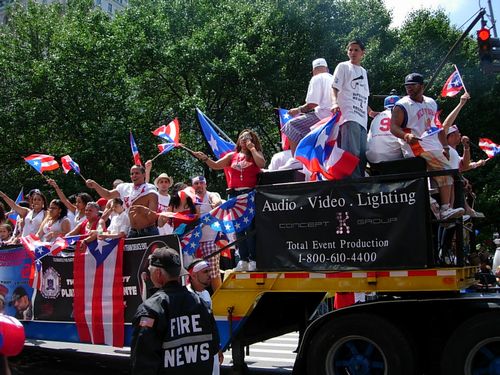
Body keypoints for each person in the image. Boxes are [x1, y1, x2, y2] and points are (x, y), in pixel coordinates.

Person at [130, 246, 219, 375]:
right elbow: (214, 346)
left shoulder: (151, 309)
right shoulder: (201, 304)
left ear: (158, 274)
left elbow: (142, 362)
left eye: (150, 271)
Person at [390, 73, 464, 220]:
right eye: (407, 86)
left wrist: (446, 146)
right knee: (446, 167)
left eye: (413, 85)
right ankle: (444, 209)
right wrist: (406, 136)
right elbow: (393, 127)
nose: (409, 88)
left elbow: (439, 127)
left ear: (422, 86)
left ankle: (444, 210)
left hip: (433, 145)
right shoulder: (402, 105)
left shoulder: (431, 102)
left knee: (448, 170)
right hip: (416, 146)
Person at [193, 129, 265, 271]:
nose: (244, 140)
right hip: (234, 196)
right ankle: (243, 260)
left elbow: (262, 164)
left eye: (248, 137)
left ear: (253, 140)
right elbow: (215, 165)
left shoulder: (255, 154)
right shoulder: (232, 156)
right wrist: (205, 158)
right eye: (242, 137)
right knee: (238, 229)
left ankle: (253, 259)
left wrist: (253, 149)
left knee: (250, 227)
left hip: (249, 195)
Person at [331, 39, 375, 178]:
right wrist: (334, 103)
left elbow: (363, 96)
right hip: (349, 116)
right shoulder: (343, 66)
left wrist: (370, 112)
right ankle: (353, 187)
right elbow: (334, 87)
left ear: (363, 53)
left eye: (356, 50)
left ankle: (360, 183)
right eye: (350, 49)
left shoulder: (363, 71)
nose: (353, 52)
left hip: (362, 118)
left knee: (362, 155)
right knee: (352, 153)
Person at [86, 165, 159, 238]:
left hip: (149, 231)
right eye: (132, 174)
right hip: (132, 231)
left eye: (137, 173)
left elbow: (153, 216)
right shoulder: (124, 188)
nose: (134, 175)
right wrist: (95, 185)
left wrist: (143, 210)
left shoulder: (150, 190)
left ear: (144, 174)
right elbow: (107, 195)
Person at [282, 58, 334, 156]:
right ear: (327, 69)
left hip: (323, 116)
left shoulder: (317, 78)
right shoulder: (334, 78)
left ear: (313, 71)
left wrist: (297, 110)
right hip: (337, 117)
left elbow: (312, 104)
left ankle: (296, 159)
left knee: (291, 126)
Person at [187, 259, 224, 375]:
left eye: (209, 271)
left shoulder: (207, 294)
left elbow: (211, 323)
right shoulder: (186, 295)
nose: (209, 274)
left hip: (209, 350)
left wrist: (217, 347)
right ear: (193, 275)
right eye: (205, 272)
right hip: (195, 353)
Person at [192, 176, 223, 291]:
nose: (199, 185)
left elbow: (217, 200)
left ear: (206, 185)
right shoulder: (192, 199)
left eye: (201, 183)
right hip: (194, 243)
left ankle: (219, 300)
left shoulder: (211, 195)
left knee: (213, 273)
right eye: (196, 183)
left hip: (210, 240)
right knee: (196, 274)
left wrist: (216, 203)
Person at [366, 95, 403, 164]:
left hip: (372, 159)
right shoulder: (400, 115)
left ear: (384, 107)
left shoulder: (376, 117)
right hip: (393, 159)